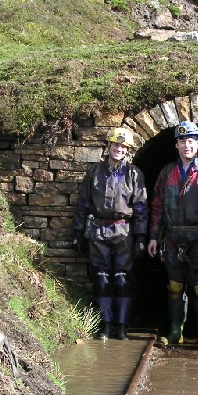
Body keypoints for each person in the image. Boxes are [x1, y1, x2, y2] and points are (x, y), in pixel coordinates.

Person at [72, 127, 148, 340]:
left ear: (128, 150)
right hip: (98, 230)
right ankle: (106, 324)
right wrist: (78, 231)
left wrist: (141, 237)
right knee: (102, 279)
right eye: (115, 144)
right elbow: (84, 204)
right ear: (108, 146)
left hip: (124, 230)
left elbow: (141, 207)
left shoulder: (134, 174)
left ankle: (121, 326)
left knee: (122, 280)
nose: (119, 149)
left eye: (123, 146)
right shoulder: (95, 172)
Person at [148, 122, 198, 349]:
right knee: (175, 287)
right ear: (176, 145)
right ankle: (175, 332)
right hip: (173, 237)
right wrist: (153, 237)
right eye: (182, 142)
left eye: (191, 141)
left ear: (197, 144)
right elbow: (157, 206)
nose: (186, 146)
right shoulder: (167, 172)